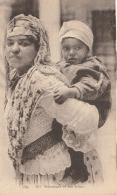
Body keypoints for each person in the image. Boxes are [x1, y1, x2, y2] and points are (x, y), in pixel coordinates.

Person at [4, 14, 99, 187]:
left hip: (48, 171)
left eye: (24, 43)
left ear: (38, 48)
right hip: (28, 169)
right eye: (10, 43)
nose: (14, 49)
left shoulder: (42, 81)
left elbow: (88, 119)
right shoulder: (18, 77)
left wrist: (71, 138)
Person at [54, 20, 111, 183]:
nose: (71, 53)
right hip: (74, 109)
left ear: (87, 49)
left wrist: (71, 91)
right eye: (66, 48)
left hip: (91, 110)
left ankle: (78, 169)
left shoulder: (90, 66)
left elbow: (89, 86)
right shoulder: (64, 64)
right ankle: (67, 164)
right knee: (59, 130)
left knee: (76, 135)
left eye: (77, 47)